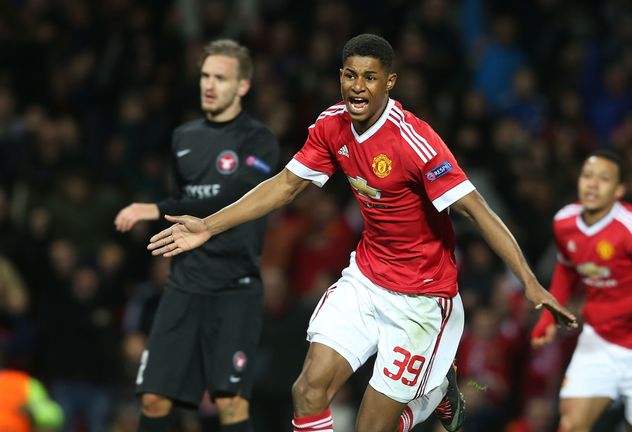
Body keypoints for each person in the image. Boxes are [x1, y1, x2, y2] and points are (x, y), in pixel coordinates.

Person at [147, 34, 577, 432]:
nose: (358, 86)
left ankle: (439, 392)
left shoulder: (415, 142)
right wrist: (207, 225)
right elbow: (284, 185)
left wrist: (529, 281)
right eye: (350, 75)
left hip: (422, 299)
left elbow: (478, 211)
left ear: (389, 81)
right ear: (340, 77)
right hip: (367, 280)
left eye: (370, 77)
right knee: (308, 392)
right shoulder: (332, 125)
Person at [114, 39, 279, 432]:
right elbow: (185, 199)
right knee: (153, 399)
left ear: (242, 86)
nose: (209, 85)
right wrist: (154, 206)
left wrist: (153, 209)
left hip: (235, 287)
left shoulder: (260, 140)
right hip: (185, 284)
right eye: (205, 76)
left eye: (220, 78)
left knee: (230, 404)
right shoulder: (183, 137)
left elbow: (236, 194)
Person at [531, 149, 632, 432]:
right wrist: (548, 318)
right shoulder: (564, 222)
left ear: (619, 190)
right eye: (587, 176)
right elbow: (566, 269)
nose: (592, 184)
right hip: (600, 341)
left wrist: (608, 311)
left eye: (604, 179)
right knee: (570, 424)